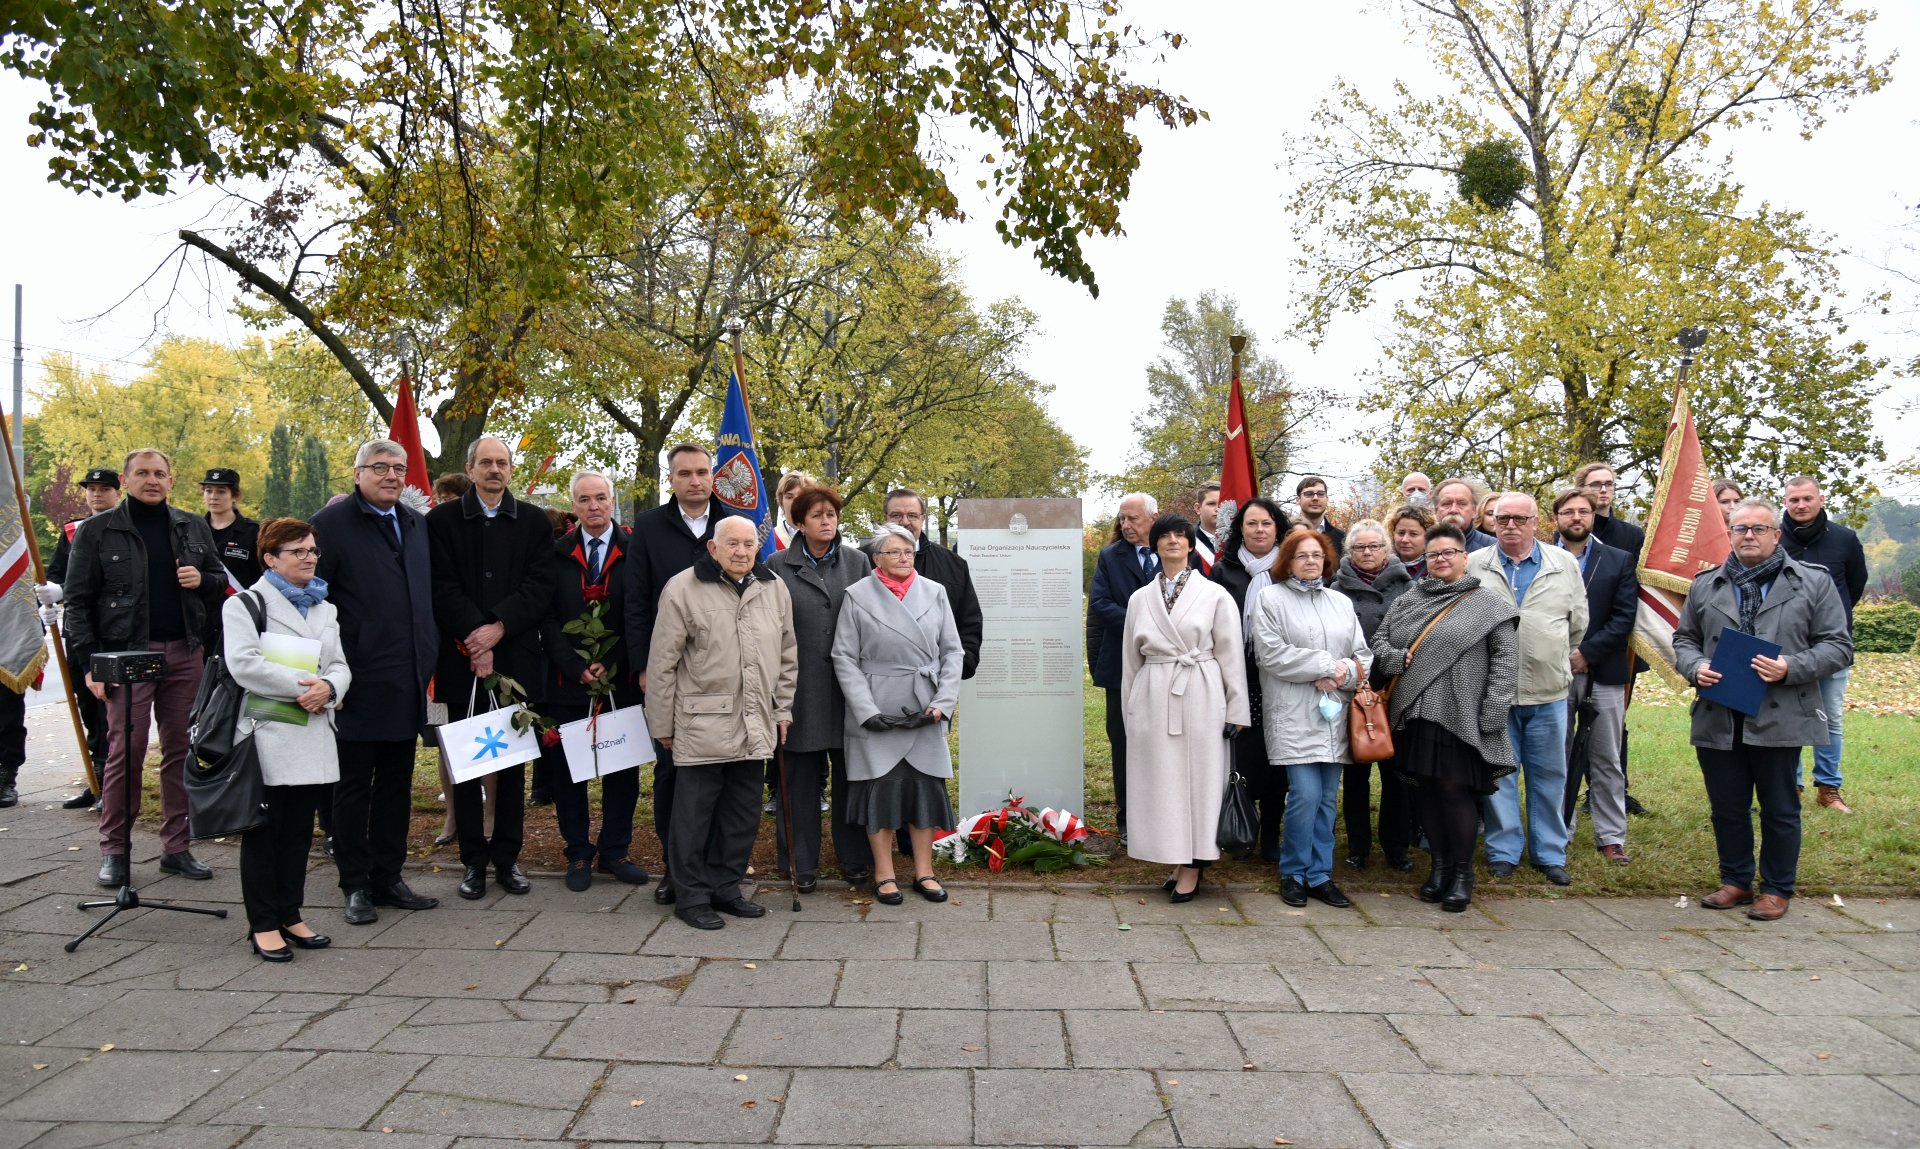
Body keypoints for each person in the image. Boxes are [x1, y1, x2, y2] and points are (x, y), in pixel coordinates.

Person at [1673, 497, 1852, 921]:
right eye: (1740, 528)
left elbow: (1838, 645)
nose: (1748, 535)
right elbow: (1684, 640)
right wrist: (1696, 667)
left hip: (1781, 710)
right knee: (1727, 806)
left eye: (1759, 528)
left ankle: (1776, 889)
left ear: (1777, 534)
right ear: (1729, 534)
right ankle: (1734, 880)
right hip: (1720, 712)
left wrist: (1791, 666)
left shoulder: (1813, 582)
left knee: (1779, 806)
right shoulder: (1706, 583)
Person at [62, 449, 228, 887]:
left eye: (160, 474)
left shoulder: (191, 525)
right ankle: (115, 850)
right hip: (125, 658)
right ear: (126, 478)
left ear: (171, 481)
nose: (152, 480)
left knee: (181, 752)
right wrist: (89, 665)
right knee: (126, 752)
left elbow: (218, 583)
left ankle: (177, 847)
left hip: (184, 652)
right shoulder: (97, 530)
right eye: (143, 473)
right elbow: (76, 603)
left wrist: (202, 579)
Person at [311, 439, 441, 925]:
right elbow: (315, 605)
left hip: (406, 678)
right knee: (351, 789)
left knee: (395, 785)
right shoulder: (330, 527)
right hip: (354, 681)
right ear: (358, 471)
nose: (391, 476)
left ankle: (389, 876)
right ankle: (355, 883)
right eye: (380, 468)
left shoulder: (414, 524)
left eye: (399, 469)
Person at [648, 516, 797, 928]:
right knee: (694, 816)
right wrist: (662, 723)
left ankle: (726, 887)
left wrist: (782, 708)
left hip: (756, 721)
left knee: (741, 815)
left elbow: (788, 654)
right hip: (700, 724)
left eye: (749, 544)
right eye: (732, 544)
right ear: (713, 548)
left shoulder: (773, 588)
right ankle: (691, 895)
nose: (742, 552)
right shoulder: (682, 588)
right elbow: (662, 662)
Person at [428, 435, 557, 901]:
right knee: (466, 761)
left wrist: (499, 628)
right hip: (461, 659)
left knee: (511, 762)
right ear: (471, 467)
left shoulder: (534, 522)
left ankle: (507, 857)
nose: (495, 470)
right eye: (486, 463)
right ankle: (473, 861)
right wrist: (474, 638)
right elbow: (439, 585)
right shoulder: (441, 521)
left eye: (502, 463)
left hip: (514, 656)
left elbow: (540, 585)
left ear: (511, 469)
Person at [1371, 524, 1520, 912]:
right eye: (1434, 554)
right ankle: (1438, 869)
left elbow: (1505, 661)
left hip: (1462, 713)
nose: (1441, 559)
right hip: (1415, 711)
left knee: (1455, 793)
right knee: (1427, 792)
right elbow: (1381, 641)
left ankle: (1462, 873)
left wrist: (1494, 709)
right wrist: (1391, 658)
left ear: (1464, 557)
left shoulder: (1489, 603)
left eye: (1449, 553)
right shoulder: (1409, 598)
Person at [222, 518, 351, 961]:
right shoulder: (245, 604)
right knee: (266, 832)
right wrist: (308, 686)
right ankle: (262, 924)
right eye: (297, 551)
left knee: (298, 832)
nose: (309, 558)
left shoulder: (324, 607)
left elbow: (340, 664)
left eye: (312, 550)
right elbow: (245, 665)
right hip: (269, 732)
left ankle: (290, 914)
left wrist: (330, 689)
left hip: (314, 731)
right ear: (271, 558)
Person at [625, 443, 741, 905]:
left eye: (702, 472)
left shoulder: (734, 524)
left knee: (721, 775)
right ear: (670, 479)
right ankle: (677, 869)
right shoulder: (650, 526)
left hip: (724, 673)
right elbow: (634, 600)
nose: (695, 481)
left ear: (713, 477)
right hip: (669, 673)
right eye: (684, 474)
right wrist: (643, 668)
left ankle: (716, 871)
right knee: (673, 771)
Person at [832, 523, 963, 906]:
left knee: (923, 790)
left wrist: (943, 702)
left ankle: (924, 872)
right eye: (894, 552)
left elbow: (952, 652)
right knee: (881, 792)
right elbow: (844, 656)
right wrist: (865, 711)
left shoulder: (935, 592)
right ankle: (884, 874)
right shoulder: (856, 596)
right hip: (878, 707)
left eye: (909, 552)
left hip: (925, 707)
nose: (904, 558)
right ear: (877, 559)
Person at [1122, 514, 1249, 902]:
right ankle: (1175, 857)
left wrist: (1236, 709)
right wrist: (1132, 710)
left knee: (1201, 781)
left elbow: (1231, 653)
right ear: (1155, 545)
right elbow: (1131, 660)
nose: (1173, 541)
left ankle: (1195, 864)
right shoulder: (1140, 598)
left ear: (1192, 545)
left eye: (1181, 535)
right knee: (1164, 781)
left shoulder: (1215, 595)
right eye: (1165, 536)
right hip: (1154, 692)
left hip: (1202, 691)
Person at [536, 471, 651, 892]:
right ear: (574, 505)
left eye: (601, 498)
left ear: (612, 500)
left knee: (622, 770)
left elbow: (641, 611)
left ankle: (616, 851)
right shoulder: (557, 553)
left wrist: (616, 660)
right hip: (569, 681)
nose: (594, 506)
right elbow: (545, 616)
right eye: (584, 500)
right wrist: (571, 662)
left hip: (619, 681)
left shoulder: (635, 548)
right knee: (570, 773)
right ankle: (579, 852)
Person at [1466, 493, 1587, 886]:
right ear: (1493, 523)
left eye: (1520, 519)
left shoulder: (1563, 563)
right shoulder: (1474, 565)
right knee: (1499, 775)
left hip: (1548, 690)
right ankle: (1503, 852)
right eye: (1503, 519)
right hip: (1493, 693)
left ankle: (1550, 852)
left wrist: (1549, 652)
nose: (1511, 526)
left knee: (1550, 774)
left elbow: (1577, 624)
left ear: (1537, 523)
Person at [1255, 528, 1372, 908]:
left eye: (1317, 556)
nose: (1310, 561)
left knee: (1326, 798)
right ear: (1287, 560)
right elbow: (1270, 654)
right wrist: (1323, 665)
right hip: (1292, 712)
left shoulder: (1339, 601)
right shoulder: (1270, 598)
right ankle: (1293, 872)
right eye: (1302, 555)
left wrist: (1343, 673)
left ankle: (1320, 875)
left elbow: (1362, 654)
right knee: (1304, 795)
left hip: (1334, 713)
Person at [770, 484, 873, 889]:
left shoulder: (858, 562)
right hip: (799, 691)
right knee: (799, 782)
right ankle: (800, 863)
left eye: (831, 514)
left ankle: (854, 859)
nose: (826, 521)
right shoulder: (778, 564)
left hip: (850, 690)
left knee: (852, 779)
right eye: (817, 515)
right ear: (799, 522)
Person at [1552, 488, 1639, 864]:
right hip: (1551, 673)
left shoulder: (1617, 560)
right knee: (1557, 755)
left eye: (1583, 512)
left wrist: (1587, 653)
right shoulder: (1541, 558)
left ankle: (1611, 836)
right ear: (1555, 518)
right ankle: (1559, 832)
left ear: (1593, 517)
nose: (1576, 518)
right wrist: (1562, 656)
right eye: (1568, 511)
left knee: (1606, 756)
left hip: (1602, 671)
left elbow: (1624, 617)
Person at [1778, 475, 1868, 814]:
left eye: (1807, 499)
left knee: (1829, 717)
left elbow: (1855, 587)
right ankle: (1793, 786)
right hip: (1786, 646)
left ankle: (1829, 788)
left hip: (1832, 645)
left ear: (1821, 499)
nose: (1801, 505)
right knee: (1789, 717)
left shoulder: (1845, 539)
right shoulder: (1774, 539)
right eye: (1794, 500)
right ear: (1785, 502)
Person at [1208, 497, 1291, 862]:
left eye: (1266, 524)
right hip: (1238, 680)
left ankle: (1272, 834)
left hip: (1282, 680)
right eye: (1252, 523)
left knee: (1278, 759)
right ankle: (1242, 827)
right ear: (1240, 528)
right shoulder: (1223, 572)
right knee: (1241, 759)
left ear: (1277, 529)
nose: (1259, 530)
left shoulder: (1289, 569)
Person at [1332, 519, 1415, 871]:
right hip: (1355, 689)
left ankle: (1396, 847)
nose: (1367, 553)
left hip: (1397, 687)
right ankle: (1359, 847)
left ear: (1387, 550)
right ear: (1349, 552)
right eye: (1359, 548)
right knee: (1356, 775)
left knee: (1397, 773)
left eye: (1374, 546)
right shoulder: (1335, 589)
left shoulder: (1409, 586)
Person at [40, 466, 122, 811]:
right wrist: (51, 594)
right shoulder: (73, 530)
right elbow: (57, 573)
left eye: (104, 488)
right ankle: (95, 778)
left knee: (111, 714)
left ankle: (112, 785)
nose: (96, 494)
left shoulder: (123, 527)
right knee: (87, 709)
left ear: (118, 492)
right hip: (78, 633)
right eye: (91, 488)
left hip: (112, 633)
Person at [1087, 492, 1160, 837]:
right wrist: (1146, 625)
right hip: (1122, 665)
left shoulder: (1173, 551)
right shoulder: (1110, 557)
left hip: (1169, 666)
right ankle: (1128, 817)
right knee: (1124, 741)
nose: (1125, 525)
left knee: (1162, 740)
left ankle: (1161, 813)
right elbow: (1100, 603)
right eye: (1122, 519)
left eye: (1133, 518)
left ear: (1153, 518)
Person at [870, 489, 983, 679]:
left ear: (923, 518)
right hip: (876, 682)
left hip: (936, 681)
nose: (905, 522)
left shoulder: (953, 565)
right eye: (896, 515)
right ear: (885, 517)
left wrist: (957, 669)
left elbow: (969, 621)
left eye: (912, 515)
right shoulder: (861, 560)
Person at [202, 468, 261, 592]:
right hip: (201, 609)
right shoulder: (193, 530)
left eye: (221, 492)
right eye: (208, 491)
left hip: (241, 608)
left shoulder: (254, 532)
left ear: (235, 496)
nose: (213, 497)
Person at [1573, 461, 1646, 559]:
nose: (1603, 490)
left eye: (1608, 484)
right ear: (1581, 489)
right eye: (1596, 484)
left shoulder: (1633, 535)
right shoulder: (1569, 532)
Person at [1432, 478, 1495, 552]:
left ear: (1474, 511)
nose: (1453, 510)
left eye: (1462, 504)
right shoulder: (1422, 547)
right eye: (1446, 504)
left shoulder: (1493, 548)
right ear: (1436, 511)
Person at [1293, 475, 1345, 558]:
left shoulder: (1342, 539)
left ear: (1327, 499)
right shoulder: (1284, 534)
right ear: (1298, 500)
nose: (1315, 498)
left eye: (1321, 494)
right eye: (1309, 494)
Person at [770, 469, 814, 552]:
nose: (795, 502)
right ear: (781, 501)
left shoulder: (823, 539)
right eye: (789, 497)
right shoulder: (770, 540)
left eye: (802, 496)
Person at [1387, 504, 1433, 579]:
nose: (1405, 540)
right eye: (1401, 533)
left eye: (1413, 534)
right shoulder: (1381, 566)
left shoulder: (1436, 569)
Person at [1192, 481, 1221, 574]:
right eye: (1211, 504)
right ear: (1198, 508)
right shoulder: (1188, 541)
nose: (1218, 509)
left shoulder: (1238, 540)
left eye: (1221, 503)